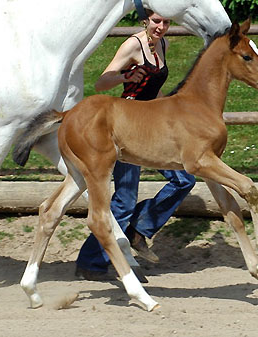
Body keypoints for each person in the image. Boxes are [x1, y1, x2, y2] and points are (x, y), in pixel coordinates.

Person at [75, 10, 196, 281]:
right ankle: (90, 262)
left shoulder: (162, 44)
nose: (161, 27)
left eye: (166, 22)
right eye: (156, 21)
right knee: (124, 201)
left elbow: (154, 88)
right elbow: (101, 81)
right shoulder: (133, 44)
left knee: (184, 180)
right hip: (125, 128)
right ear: (146, 20)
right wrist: (125, 78)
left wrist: (170, 112)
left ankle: (139, 229)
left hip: (153, 125)